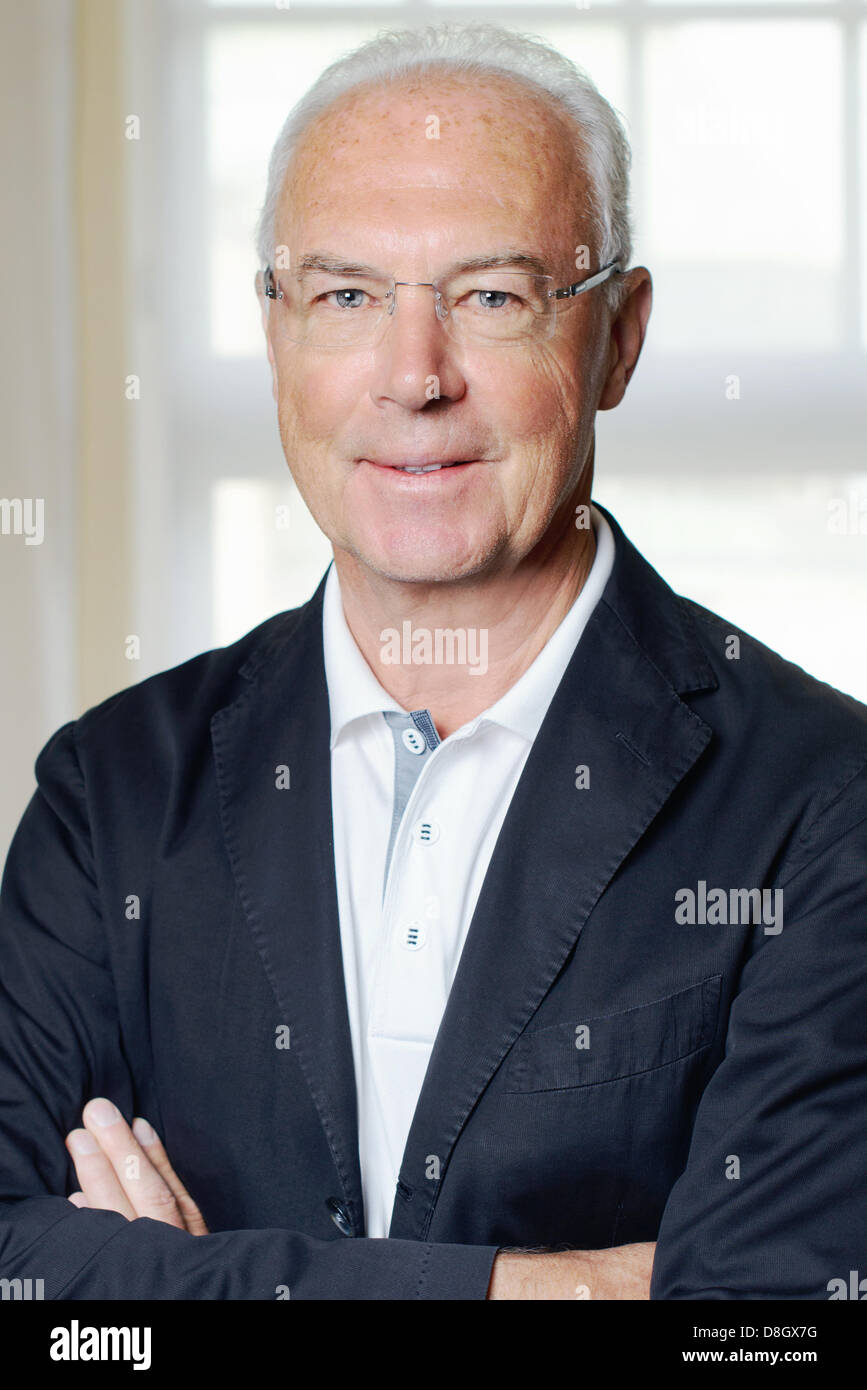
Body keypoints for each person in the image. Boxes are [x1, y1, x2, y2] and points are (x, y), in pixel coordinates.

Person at [1, 22, 865, 1301]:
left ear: (617, 337)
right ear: (278, 331)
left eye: (492, 297)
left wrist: (175, 1293)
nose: (414, 378)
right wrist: (550, 1288)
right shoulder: (111, 794)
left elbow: (770, 1336)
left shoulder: (824, 806)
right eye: (347, 295)